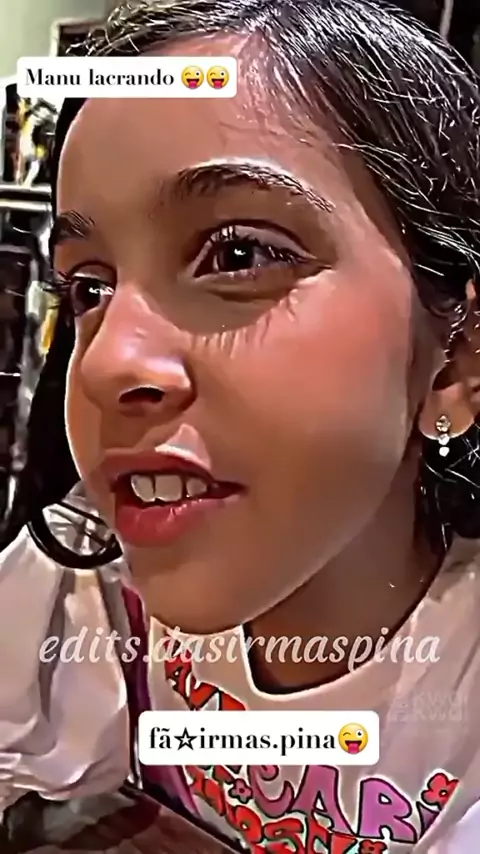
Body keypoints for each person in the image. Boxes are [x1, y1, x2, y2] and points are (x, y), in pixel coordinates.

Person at [1, 0, 480, 850]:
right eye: (89, 288)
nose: (106, 362)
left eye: (238, 254)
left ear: (453, 360)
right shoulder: (91, 577)